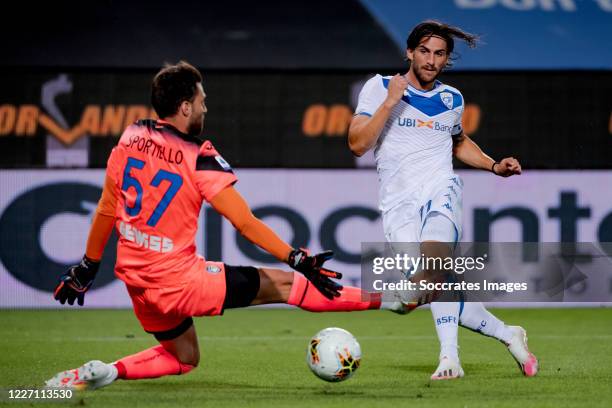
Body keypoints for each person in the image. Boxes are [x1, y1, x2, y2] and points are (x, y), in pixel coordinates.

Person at [45, 61, 381, 390]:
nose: (206, 108)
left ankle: (107, 372)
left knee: (184, 357)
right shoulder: (199, 156)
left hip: (139, 285)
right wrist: (294, 257)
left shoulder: (132, 135)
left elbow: (107, 207)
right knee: (286, 285)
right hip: (180, 282)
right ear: (186, 107)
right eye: (203, 101)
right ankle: (392, 298)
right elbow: (244, 223)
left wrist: (88, 266)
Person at [348, 21, 538, 380]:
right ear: (409, 52)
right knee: (429, 288)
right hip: (398, 205)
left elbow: (459, 141)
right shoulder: (380, 88)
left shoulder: (452, 99)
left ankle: (450, 358)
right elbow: (357, 144)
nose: (431, 60)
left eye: (439, 54)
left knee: (433, 270)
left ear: (446, 59)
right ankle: (508, 333)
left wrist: (494, 165)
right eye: (424, 51)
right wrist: (390, 102)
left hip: (441, 190)